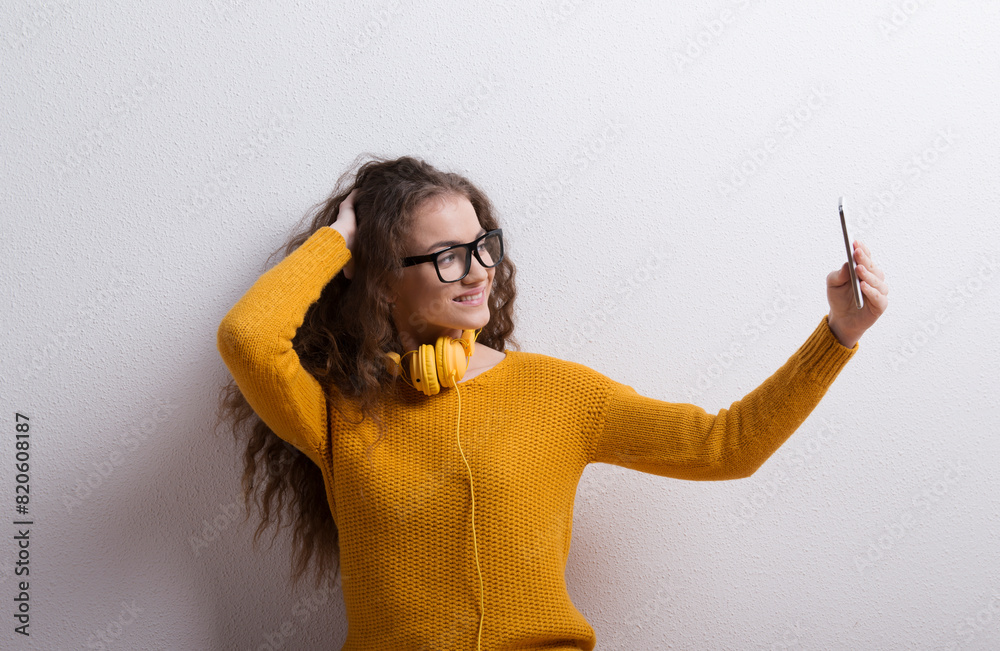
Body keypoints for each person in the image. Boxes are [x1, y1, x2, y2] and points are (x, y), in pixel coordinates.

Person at [215, 154, 888, 650]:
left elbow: (726, 445)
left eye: (483, 245)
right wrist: (341, 239)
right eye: (446, 256)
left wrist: (838, 335)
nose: (478, 270)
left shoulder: (558, 394)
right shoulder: (338, 409)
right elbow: (248, 337)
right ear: (382, 280)